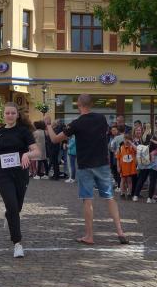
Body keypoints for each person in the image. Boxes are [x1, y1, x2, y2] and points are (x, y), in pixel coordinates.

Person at [46, 94, 127, 245]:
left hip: (85, 165)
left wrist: (48, 125)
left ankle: (89, 236)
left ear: (79, 105)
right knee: (109, 197)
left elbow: (55, 139)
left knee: (87, 200)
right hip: (102, 163)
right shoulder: (101, 119)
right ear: (91, 104)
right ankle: (120, 232)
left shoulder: (76, 123)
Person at [0, 103, 40, 258]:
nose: (9, 115)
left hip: (20, 173)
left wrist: (27, 155)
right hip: (3, 174)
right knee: (13, 206)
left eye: (12, 113)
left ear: (17, 115)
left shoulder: (24, 131)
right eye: (7, 113)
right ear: (3, 114)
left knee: (17, 207)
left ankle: (8, 214)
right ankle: (17, 243)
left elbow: (37, 151)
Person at [133, 132, 157, 203]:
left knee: (141, 179)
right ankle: (150, 198)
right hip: (154, 164)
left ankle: (135, 196)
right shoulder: (156, 143)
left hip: (144, 163)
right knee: (153, 181)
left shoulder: (144, 143)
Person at [117, 134, 137, 198]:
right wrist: (118, 167)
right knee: (123, 180)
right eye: (125, 139)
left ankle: (129, 193)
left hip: (130, 167)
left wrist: (131, 143)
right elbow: (118, 159)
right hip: (123, 167)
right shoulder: (120, 148)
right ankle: (122, 193)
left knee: (129, 181)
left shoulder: (132, 147)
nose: (126, 141)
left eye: (128, 139)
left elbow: (137, 149)